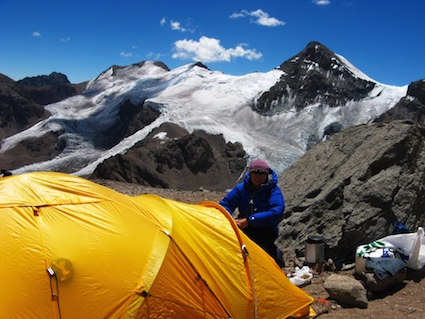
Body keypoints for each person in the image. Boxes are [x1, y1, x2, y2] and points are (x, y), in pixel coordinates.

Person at [219, 159, 285, 265]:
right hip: (244, 225)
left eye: (262, 173)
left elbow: (276, 213)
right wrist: (230, 220)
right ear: (250, 173)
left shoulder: (273, 190)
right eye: (255, 172)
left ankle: (272, 255)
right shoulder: (242, 189)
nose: (258, 176)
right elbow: (224, 205)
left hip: (265, 228)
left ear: (267, 175)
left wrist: (250, 220)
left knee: (256, 253)